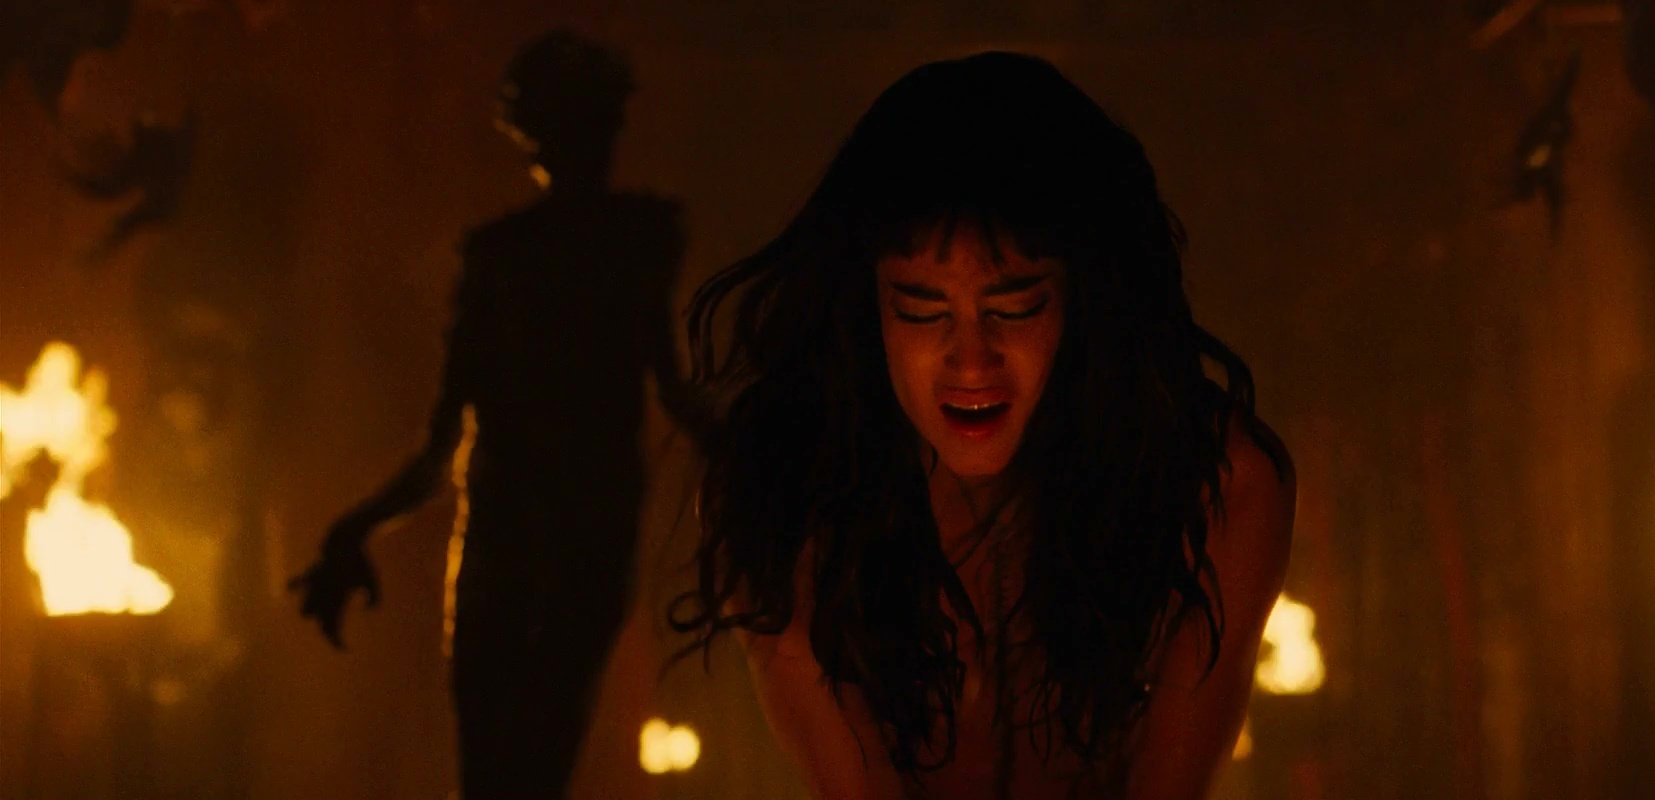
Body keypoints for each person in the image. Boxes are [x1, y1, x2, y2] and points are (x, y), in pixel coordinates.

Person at [670, 51, 1296, 800]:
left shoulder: (1215, 486)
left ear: (1086, 303)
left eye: (1015, 308)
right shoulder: (777, 496)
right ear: (867, 313)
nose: (971, 361)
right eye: (921, 311)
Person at [289, 30, 708, 800]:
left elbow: (439, 449)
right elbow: (677, 395)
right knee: (524, 769)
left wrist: (354, 529)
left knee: (502, 773)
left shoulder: (522, 256)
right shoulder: (618, 246)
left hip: (529, 543)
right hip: (561, 541)